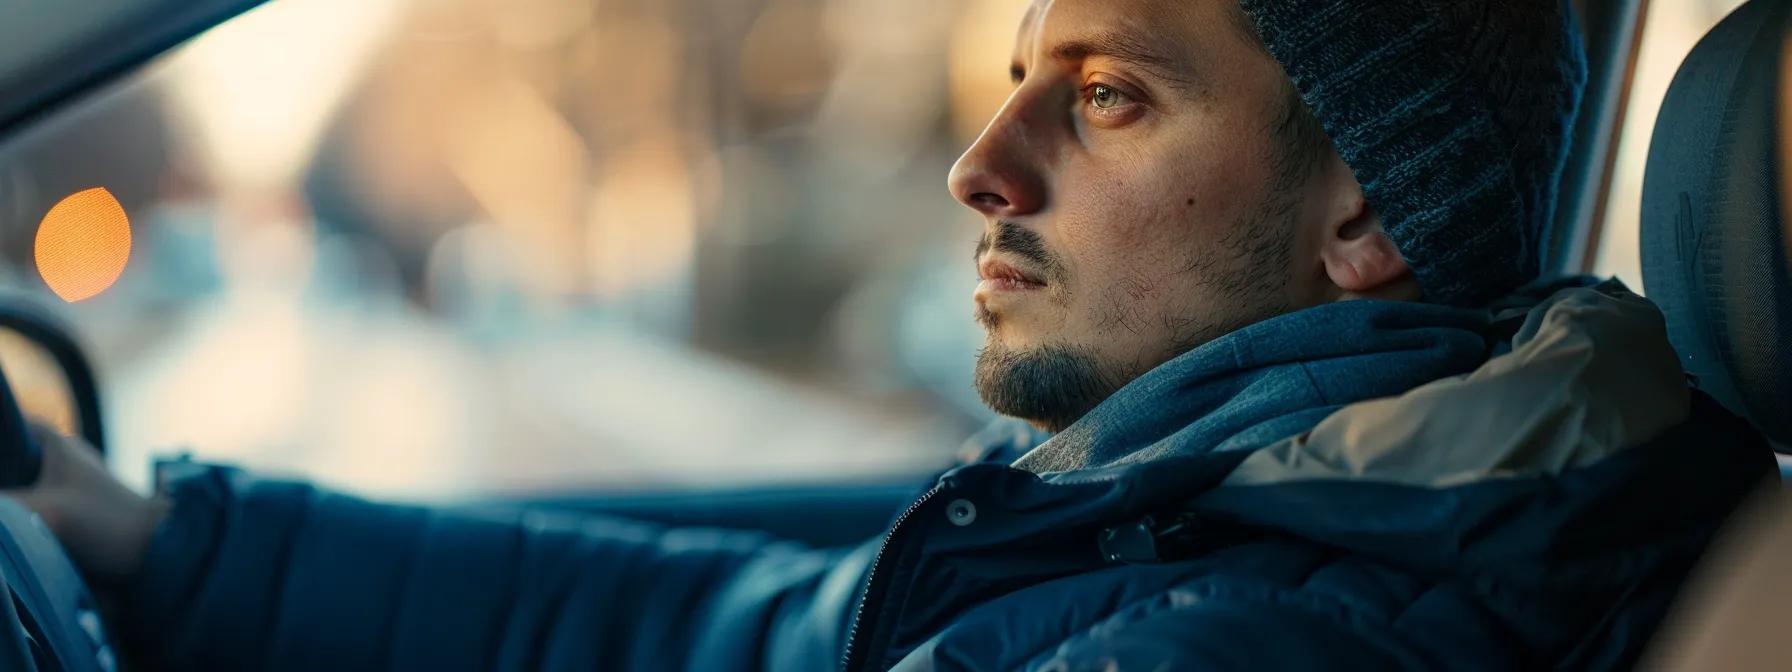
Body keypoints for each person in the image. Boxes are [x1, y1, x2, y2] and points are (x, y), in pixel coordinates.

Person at [5, 0, 1777, 669]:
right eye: (1017, 79)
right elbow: (713, 622)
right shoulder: (1183, 503)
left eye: (1105, 96)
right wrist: (157, 540)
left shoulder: (1275, 625)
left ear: (1368, 216)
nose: (976, 166)